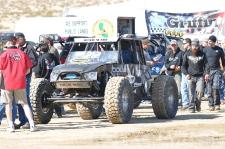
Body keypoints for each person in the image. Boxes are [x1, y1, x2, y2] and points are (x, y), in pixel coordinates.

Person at [0, 36, 37, 132]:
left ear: (8, 43)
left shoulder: (4, 55)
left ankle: (11, 126)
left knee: (8, 104)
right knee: (25, 104)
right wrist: (20, 75)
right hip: (20, 82)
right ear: (15, 42)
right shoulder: (22, 53)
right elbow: (28, 69)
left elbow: (0, 71)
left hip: (6, 82)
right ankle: (32, 125)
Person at [15, 33, 38, 129]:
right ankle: (22, 120)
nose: (16, 41)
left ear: (22, 39)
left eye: (17, 39)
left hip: (25, 76)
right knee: (19, 100)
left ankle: (29, 121)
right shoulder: (17, 48)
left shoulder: (29, 48)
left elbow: (33, 61)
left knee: (25, 98)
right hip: (17, 77)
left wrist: (23, 68)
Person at [33, 44, 62, 117]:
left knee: (43, 98)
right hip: (54, 79)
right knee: (55, 96)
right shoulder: (54, 57)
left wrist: (37, 78)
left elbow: (38, 70)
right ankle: (59, 113)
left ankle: (46, 112)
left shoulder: (41, 58)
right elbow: (58, 66)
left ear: (40, 50)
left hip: (44, 80)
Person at [182, 39, 207, 113]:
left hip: (200, 76)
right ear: (191, 46)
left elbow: (206, 65)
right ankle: (191, 108)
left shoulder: (202, 54)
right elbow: (183, 66)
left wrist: (206, 73)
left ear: (198, 46)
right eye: (193, 46)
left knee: (200, 92)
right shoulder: (187, 54)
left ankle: (198, 104)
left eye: (196, 46)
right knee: (191, 93)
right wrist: (186, 74)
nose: (194, 47)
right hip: (190, 76)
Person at [203, 35, 225, 111]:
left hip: (217, 70)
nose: (209, 42)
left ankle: (217, 104)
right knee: (209, 90)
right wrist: (205, 73)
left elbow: (223, 60)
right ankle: (211, 105)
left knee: (216, 88)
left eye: (211, 41)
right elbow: (204, 62)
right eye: (208, 41)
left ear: (214, 42)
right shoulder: (205, 50)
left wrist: (224, 70)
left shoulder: (219, 49)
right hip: (208, 71)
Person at [181, 38, 192, 110]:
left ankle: (192, 104)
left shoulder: (192, 51)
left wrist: (189, 73)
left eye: (184, 43)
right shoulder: (184, 52)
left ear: (188, 43)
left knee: (190, 89)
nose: (183, 45)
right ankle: (185, 104)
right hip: (184, 73)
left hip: (190, 73)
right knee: (183, 89)